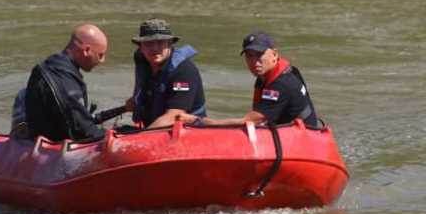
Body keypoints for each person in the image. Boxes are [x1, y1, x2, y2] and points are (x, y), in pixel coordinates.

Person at [177, 31, 319, 129]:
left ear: (274, 54)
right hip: (293, 133)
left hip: (303, 140)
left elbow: (250, 121)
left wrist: (203, 122)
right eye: (249, 56)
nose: (254, 61)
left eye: (259, 55)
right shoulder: (268, 76)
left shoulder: (280, 84)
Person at [16, 23, 109, 142]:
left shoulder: (51, 65)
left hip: (40, 138)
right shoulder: (64, 81)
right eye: (100, 55)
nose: (102, 60)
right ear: (86, 50)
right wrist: (112, 136)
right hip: (54, 150)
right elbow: (83, 132)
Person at [125, 18, 206, 128]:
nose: (155, 48)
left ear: (169, 44)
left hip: (185, 130)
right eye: (148, 43)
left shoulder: (184, 70)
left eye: (160, 43)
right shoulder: (141, 60)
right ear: (141, 46)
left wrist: (140, 136)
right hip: (153, 126)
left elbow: (174, 116)